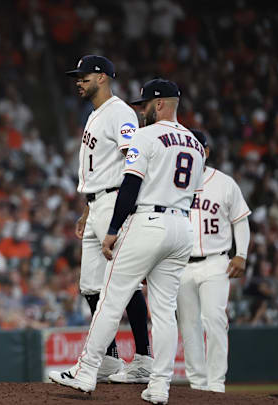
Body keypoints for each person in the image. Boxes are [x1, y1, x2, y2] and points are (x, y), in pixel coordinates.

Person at [49, 79, 205, 405]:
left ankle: (87, 370)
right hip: (182, 227)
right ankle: (159, 386)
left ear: (159, 103)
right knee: (164, 312)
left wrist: (113, 229)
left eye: (146, 104)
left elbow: (131, 183)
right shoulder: (194, 142)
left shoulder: (144, 135)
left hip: (148, 221)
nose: (142, 110)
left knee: (110, 296)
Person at [65, 55, 153, 382]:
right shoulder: (95, 114)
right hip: (96, 203)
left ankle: (143, 358)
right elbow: (98, 168)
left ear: (102, 77)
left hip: (115, 200)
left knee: (125, 281)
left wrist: (121, 213)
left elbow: (133, 161)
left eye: (84, 76)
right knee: (90, 285)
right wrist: (88, 209)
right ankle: (111, 360)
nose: (78, 81)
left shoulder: (120, 113)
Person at [177, 129, 251, 393]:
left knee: (214, 319)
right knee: (189, 325)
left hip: (216, 261)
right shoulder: (174, 182)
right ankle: (198, 384)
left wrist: (241, 252)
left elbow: (240, 221)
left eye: (198, 147)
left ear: (206, 152)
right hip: (181, 264)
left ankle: (216, 384)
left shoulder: (224, 183)